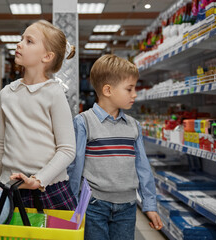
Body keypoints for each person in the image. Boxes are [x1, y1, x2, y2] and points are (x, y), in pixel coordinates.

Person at [68, 54, 163, 240]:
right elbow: (74, 166)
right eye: (129, 89)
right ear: (108, 90)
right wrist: (72, 203)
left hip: (127, 207)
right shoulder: (84, 122)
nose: (135, 94)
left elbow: (143, 168)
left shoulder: (133, 126)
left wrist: (150, 205)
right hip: (94, 206)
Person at [0, 20, 77, 210]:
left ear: (47, 56)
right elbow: (1, 144)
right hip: (9, 188)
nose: (19, 44)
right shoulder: (6, 93)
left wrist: (38, 180)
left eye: (29, 41)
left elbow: (67, 149)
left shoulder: (53, 93)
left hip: (48, 188)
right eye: (21, 39)